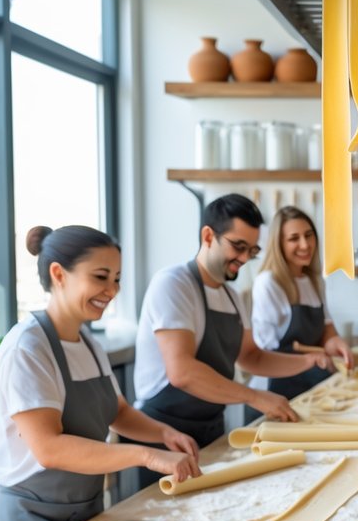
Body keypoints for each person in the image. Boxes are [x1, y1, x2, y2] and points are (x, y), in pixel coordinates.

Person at [0, 226, 201, 521]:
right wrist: (146, 455)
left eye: (116, 278)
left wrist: (165, 433)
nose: (111, 290)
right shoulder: (27, 348)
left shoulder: (88, 343)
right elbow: (49, 448)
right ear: (58, 274)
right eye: (100, 277)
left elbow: (118, 411)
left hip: (85, 517)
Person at [133, 194, 330, 465]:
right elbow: (182, 372)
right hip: (163, 431)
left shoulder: (232, 297)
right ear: (208, 235)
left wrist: (308, 361)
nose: (244, 258)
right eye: (238, 246)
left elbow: (253, 357)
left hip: (211, 426)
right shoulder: (173, 285)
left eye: (252, 250)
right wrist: (255, 397)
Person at [250, 205, 353, 400]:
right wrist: (310, 359)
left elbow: (326, 329)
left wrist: (337, 344)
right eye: (294, 238)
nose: (305, 245)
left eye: (309, 235)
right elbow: (264, 352)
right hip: (275, 391)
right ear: (278, 244)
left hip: (310, 388)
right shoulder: (268, 283)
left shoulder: (315, 281)